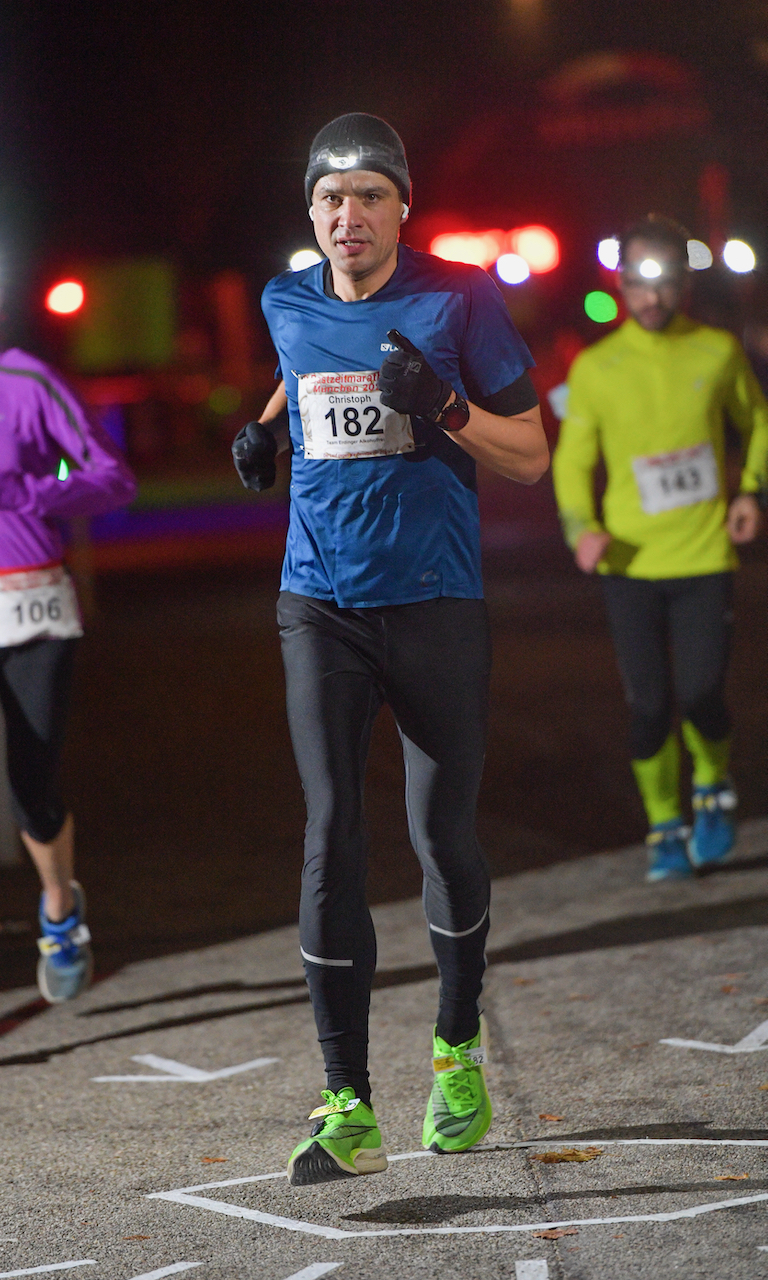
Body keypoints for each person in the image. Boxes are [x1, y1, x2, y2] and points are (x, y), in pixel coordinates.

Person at [232, 114, 548, 1185]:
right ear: (310, 213)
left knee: (439, 832)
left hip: (435, 603)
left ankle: (456, 1052)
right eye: (329, 198)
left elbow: (530, 456)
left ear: (401, 205)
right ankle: (345, 1101)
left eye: (368, 194)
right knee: (330, 827)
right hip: (316, 601)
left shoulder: (455, 299)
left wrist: (445, 404)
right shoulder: (285, 296)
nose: (346, 215)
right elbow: (301, 359)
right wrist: (266, 428)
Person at [0, 239, 136, 1055]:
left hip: (35, 602)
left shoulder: (28, 382)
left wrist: (33, 490)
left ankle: (58, 910)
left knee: (33, 788)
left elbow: (113, 479)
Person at [553, 215, 768, 883]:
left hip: (703, 556)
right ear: (620, 285)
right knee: (648, 705)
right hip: (629, 563)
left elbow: (757, 421)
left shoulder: (717, 352)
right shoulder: (595, 368)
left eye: (667, 282)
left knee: (702, 692)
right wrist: (579, 526)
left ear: (685, 283)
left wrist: (751, 493)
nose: (653, 297)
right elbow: (572, 459)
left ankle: (711, 787)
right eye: (640, 283)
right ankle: (664, 824)